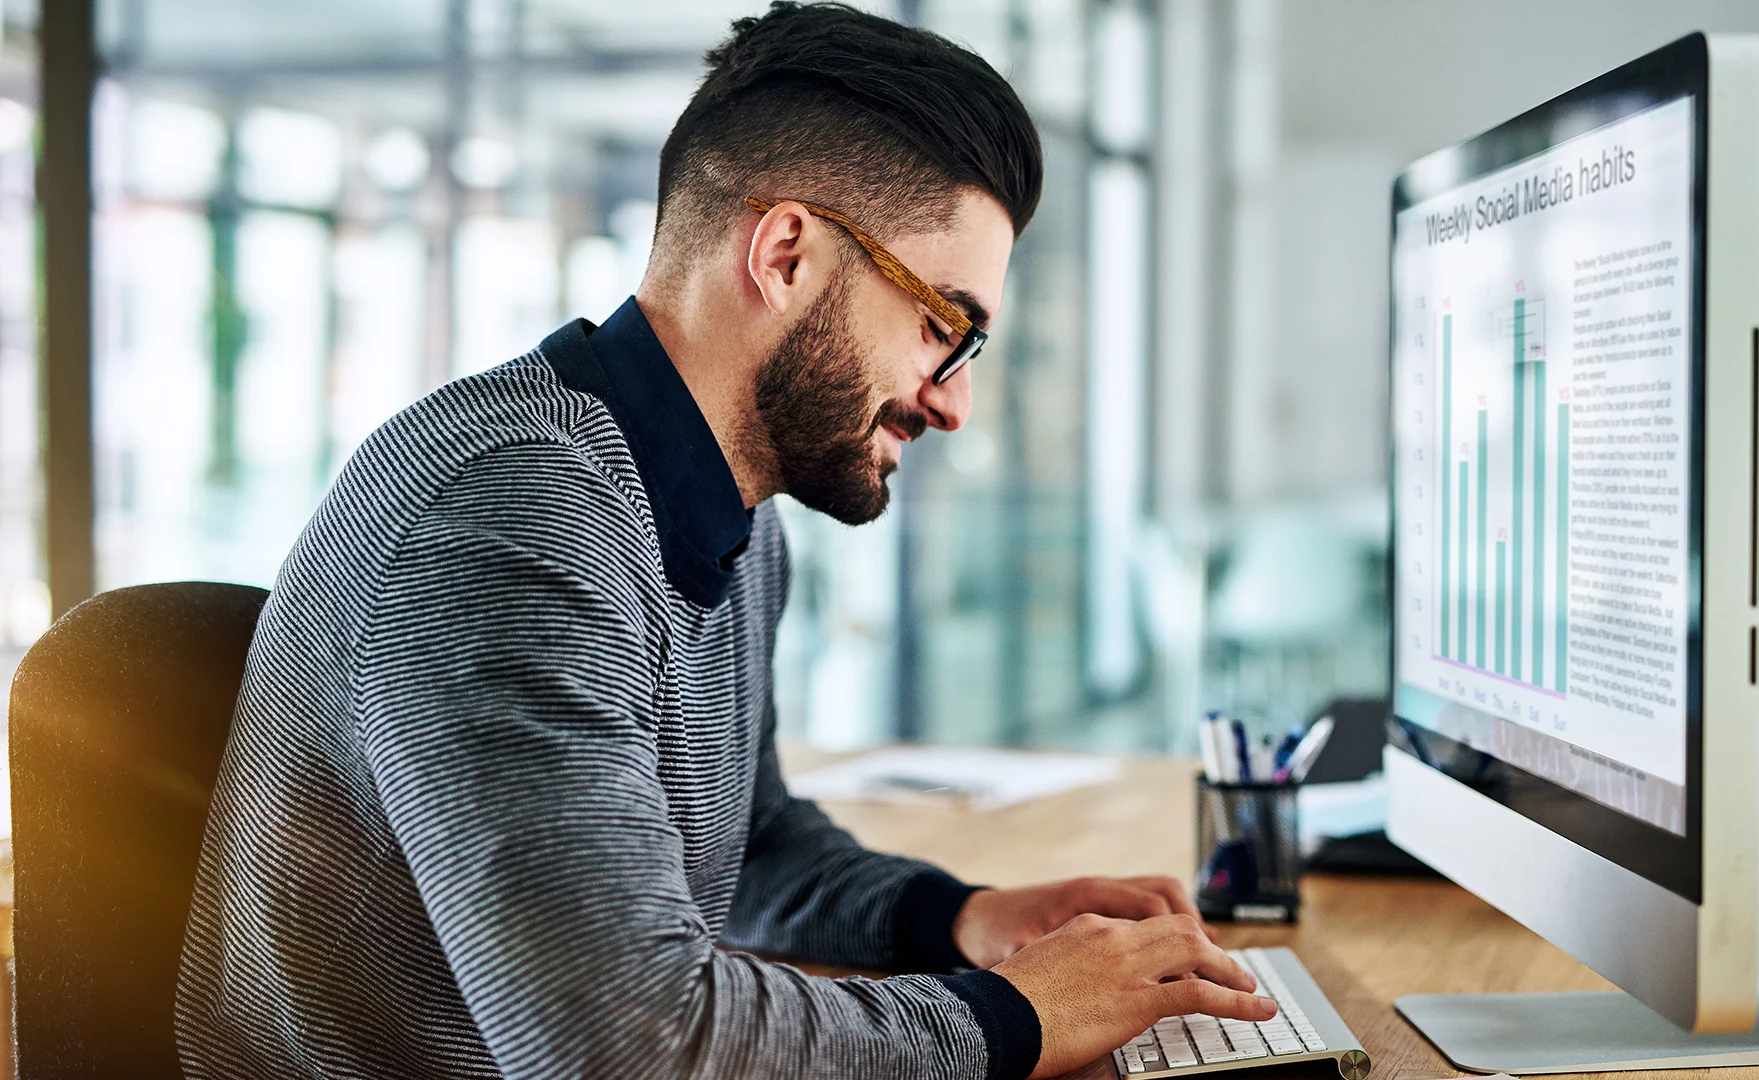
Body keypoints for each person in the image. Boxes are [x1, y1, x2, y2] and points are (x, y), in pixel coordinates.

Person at [174, 4, 1276, 1078]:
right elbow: (632, 1042)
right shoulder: (513, 515)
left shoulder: (729, 509)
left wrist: (961, 917)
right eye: (943, 326)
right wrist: (1016, 1017)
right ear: (786, 255)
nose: (955, 404)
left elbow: (750, 846)